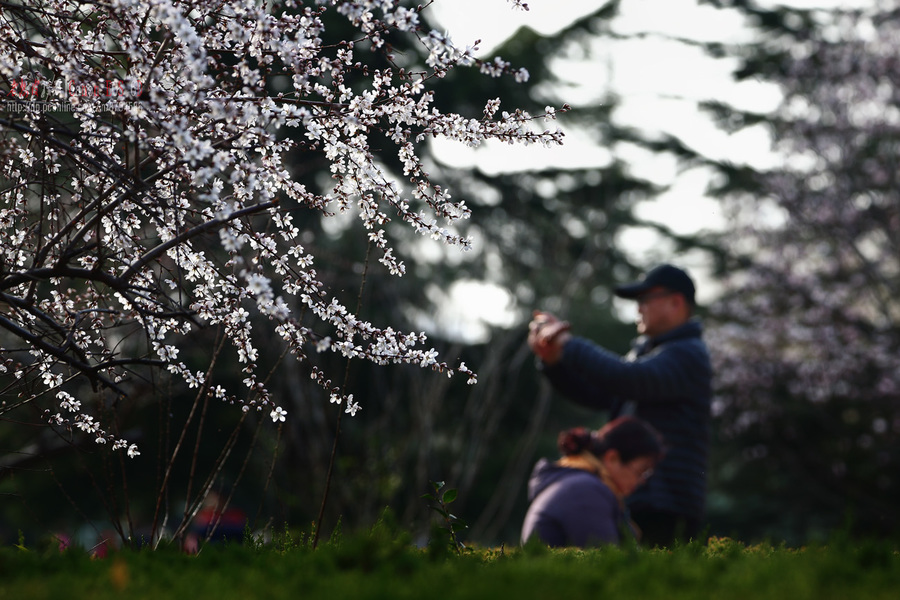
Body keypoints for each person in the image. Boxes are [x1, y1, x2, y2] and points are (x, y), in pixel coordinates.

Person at [527, 264, 711, 547]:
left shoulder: (689, 354)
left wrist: (567, 344)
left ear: (676, 303)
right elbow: (598, 393)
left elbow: (626, 377)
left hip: (667, 504)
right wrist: (554, 362)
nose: (638, 309)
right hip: (640, 497)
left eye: (645, 300)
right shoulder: (649, 352)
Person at [521, 417, 664, 548]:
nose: (643, 481)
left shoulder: (578, 483)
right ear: (612, 458)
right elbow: (609, 563)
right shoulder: (586, 491)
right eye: (641, 471)